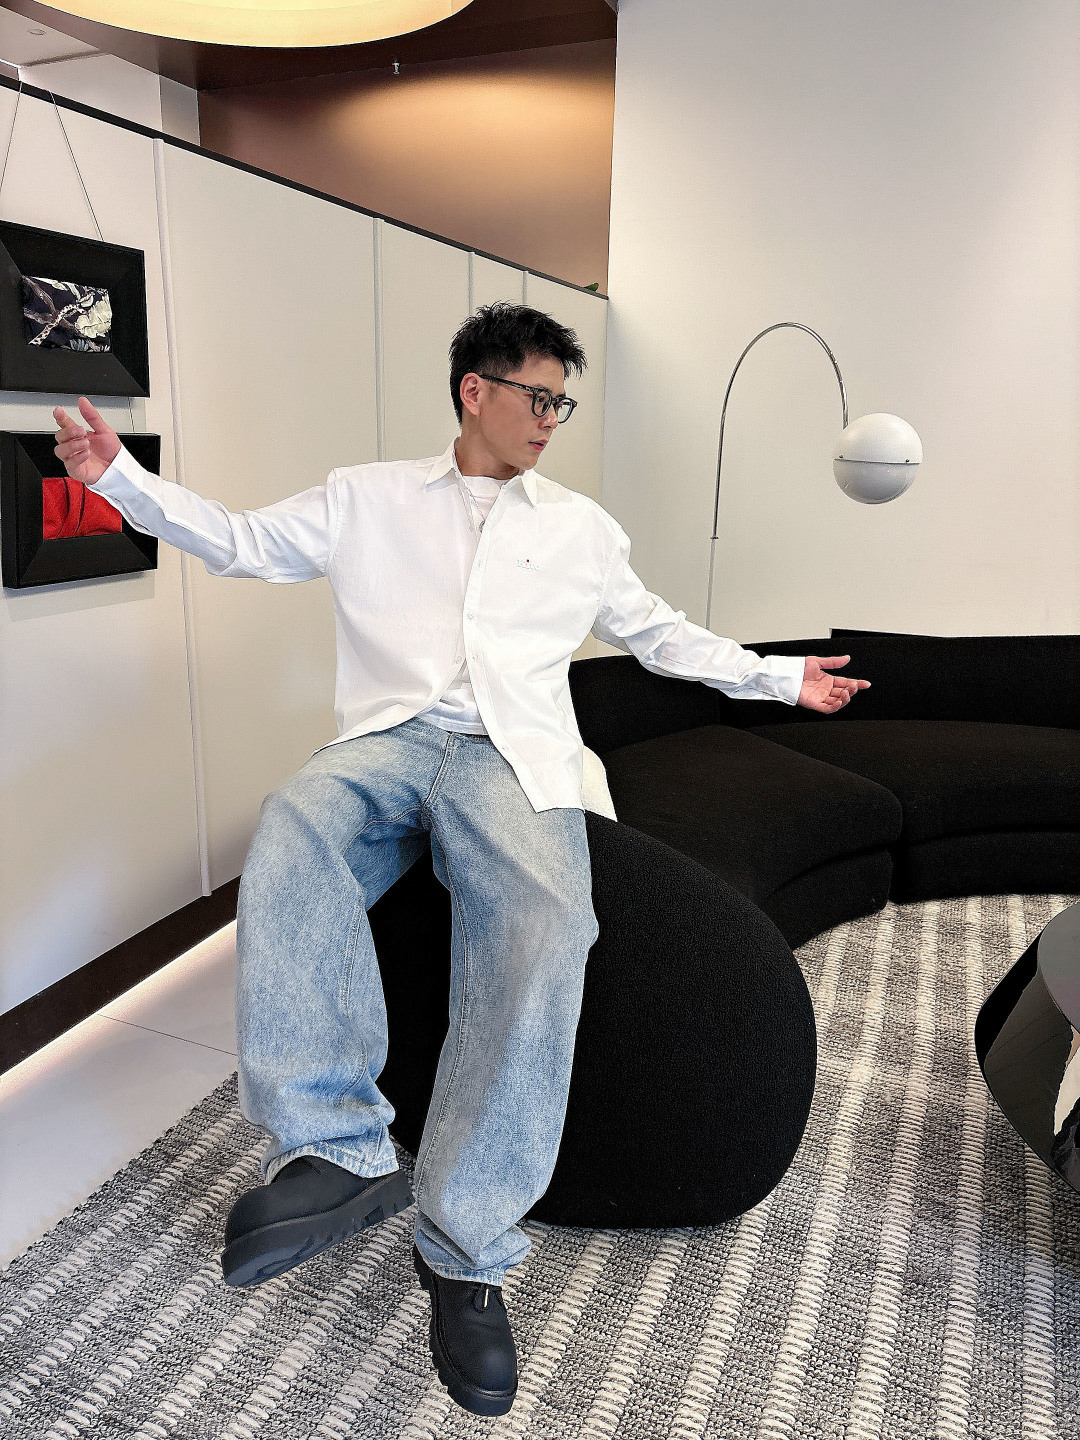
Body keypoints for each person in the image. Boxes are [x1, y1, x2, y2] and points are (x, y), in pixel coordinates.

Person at [52, 301, 869, 1418]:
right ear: (474, 390)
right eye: (536, 396)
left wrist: (780, 678)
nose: (550, 420)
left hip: (511, 756)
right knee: (292, 826)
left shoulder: (582, 529)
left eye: (562, 403)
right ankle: (337, 1149)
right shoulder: (367, 497)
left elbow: (661, 634)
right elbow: (239, 542)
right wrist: (117, 480)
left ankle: (467, 1251)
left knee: (549, 928)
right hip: (389, 740)